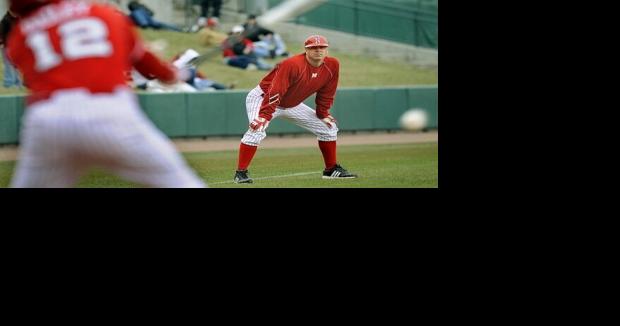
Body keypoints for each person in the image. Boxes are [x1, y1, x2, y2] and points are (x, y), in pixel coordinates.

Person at [6, 0, 206, 188]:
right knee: (181, 182)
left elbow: (32, 78)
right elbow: (148, 65)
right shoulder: (103, 13)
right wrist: (174, 73)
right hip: (107, 113)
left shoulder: (20, 36)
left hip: (47, 121)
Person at [233, 35, 358, 183]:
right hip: (263, 98)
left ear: (327, 49)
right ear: (306, 50)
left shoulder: (332, 65)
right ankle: (240, 173)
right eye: (313, 48)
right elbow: (275, 91)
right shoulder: (292, 64)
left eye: (322, 47)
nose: (318, 50)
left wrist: (323, 113)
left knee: (328, 127)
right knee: (257, 129)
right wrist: (264, 115)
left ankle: (331, 170)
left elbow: (327, 91)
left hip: (290, 104)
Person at [0, 10, 22, 88]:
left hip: (17, 46)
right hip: (7, 46)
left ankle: (18, 82)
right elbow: (2, 33)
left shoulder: (19, 19)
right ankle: (8, 82)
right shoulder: (5, 20)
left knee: (17, 65)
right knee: (8, 65)